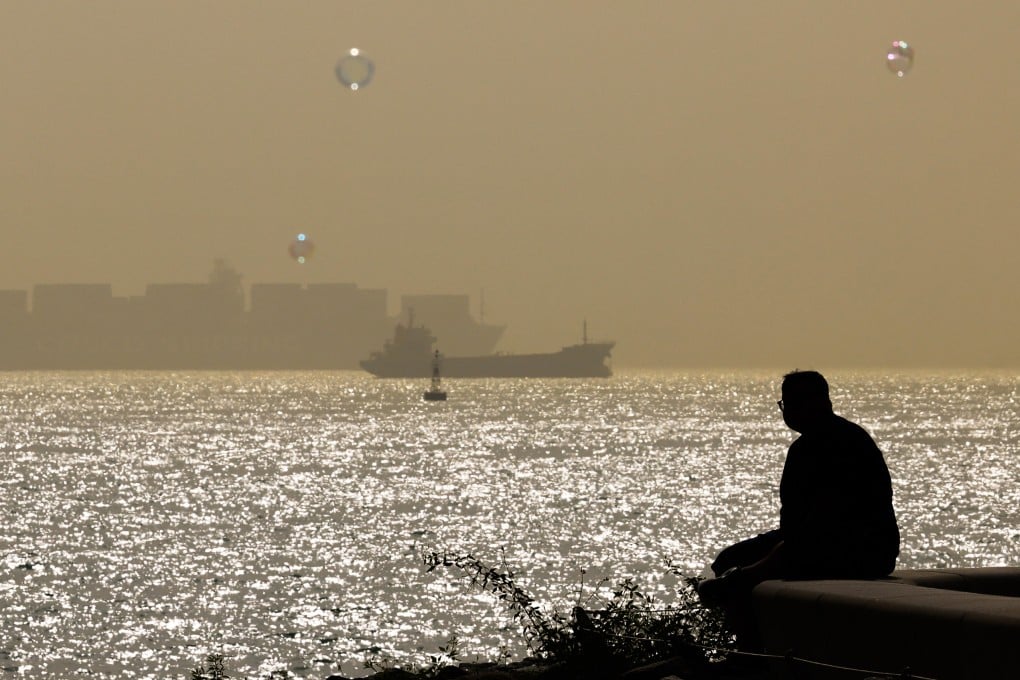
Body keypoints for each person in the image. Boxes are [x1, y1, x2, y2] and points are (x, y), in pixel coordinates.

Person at [697, 369, 900, 651]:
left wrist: (749, 573)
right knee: (729, 559)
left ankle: (754, 653)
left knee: (737, 575)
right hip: (822, 542)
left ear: (819, 402)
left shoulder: (840, 446)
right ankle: (749, 646)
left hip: (856, 550)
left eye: (792, 403)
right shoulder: (813, 445)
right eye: (785, 404)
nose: (788, 411)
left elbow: (821, 529)